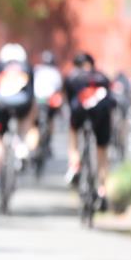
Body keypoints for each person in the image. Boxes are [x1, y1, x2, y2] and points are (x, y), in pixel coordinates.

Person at [0, 43, 38, 209]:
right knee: (26, 119)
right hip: (22, 107)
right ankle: (21, 147)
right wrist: (31, 124)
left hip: (0, 107)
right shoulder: (27, 68)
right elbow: (33, 100)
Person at [63, 51, 114, 211]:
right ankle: (102, 190)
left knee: (73, 130)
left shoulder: (72, 77)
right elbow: (111, 99)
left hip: (80, 113)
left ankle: (75, 164)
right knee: (102, 151)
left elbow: (69, 101)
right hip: (101, 115)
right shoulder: (102, 77)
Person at [33, 50, 64, 150]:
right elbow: (58, 88)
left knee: (34, 123)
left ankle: (34, 143)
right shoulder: (56, 72)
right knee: (51, 119)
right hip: (50, 100)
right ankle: (48, 140)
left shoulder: (37, 70)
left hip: (39, 100)